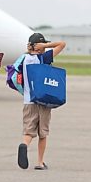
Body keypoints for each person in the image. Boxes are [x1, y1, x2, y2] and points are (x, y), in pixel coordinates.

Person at [17, 33, 66, 170]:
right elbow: (62, 44)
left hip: (28, 100)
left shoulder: (24, 59)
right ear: (39, 46)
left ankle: (24, 145)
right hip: (43, 101)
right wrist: (46, 46)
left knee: (28, 131)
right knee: (43, 133)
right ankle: (40, 162)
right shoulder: (43, 58)